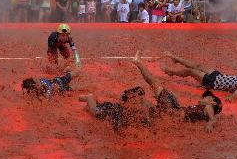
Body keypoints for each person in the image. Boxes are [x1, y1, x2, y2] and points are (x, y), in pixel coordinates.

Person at [79, 51, 222, 132]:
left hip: (170, 110)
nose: (203, 98)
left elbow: (213, 117)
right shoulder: (202, 108)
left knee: (154, 84)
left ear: (212, 101)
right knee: (152, 93)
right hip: (170, 111)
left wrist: (210, 123)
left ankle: (139, 63)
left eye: (207, 97)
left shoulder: (209, 107)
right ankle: (138, 64)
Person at [162, 52, 237, 102]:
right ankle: (175, 59)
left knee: (190, 71)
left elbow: (235, 95)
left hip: (212, 82)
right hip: (218, 76)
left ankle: (170, 71)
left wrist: (230, 97)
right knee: (198, 65)